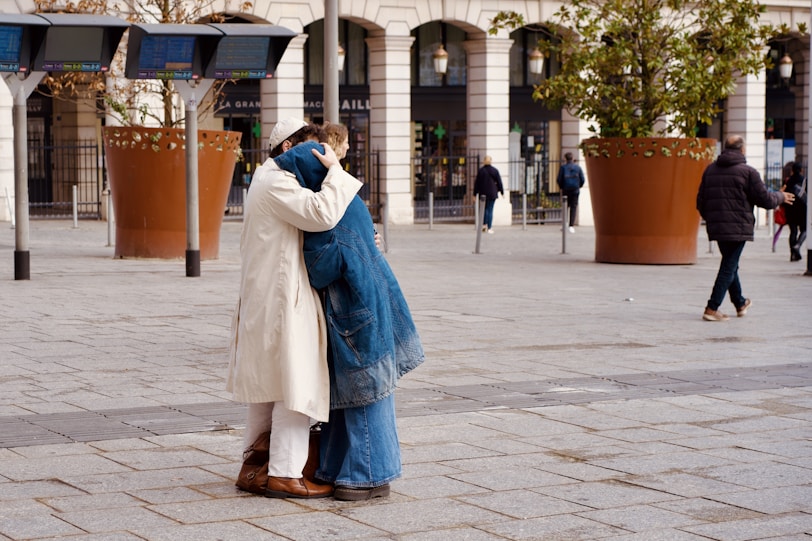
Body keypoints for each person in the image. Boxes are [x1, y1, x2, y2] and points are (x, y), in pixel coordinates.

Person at [274, 137, 425, 501]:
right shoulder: (349, 199)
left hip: (353, 314)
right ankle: (337, 469)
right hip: (375, 303)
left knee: (363, 395)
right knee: (349, 394)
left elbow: (321, 269)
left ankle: (369, 476)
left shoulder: (325, 212)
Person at [227, 118, 362, 499]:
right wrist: (336, 171)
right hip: (282, 297)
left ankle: (253, 467)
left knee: (267, 385)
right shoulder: (277, 181)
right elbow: (321, 212)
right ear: (288, 148)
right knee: (294, 382)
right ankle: (285, 472)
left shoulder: (266, 177)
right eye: (309, 147)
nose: (316, 155)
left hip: (268, 295)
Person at [696, 135, 795, 321]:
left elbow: (700, 201)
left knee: (731, 264)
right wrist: (781, 197)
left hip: (718, 227)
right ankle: (711, 308)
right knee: (728, 266)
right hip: (738, 226)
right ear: (742, 150)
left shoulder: (710, 170)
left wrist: (712, 218)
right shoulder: (748, 172)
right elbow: (764, 199)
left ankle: (740, 303)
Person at [783, 162, 808, 262]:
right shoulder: (804, 181)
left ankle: (793, 254)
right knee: (805, 229)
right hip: (802, 208)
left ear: (792, 170)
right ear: (801, 170)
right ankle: (797, 245)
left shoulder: (788, 181)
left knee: (793, 231)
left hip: (790, 208)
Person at [556, 151, 586, 233]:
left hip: (566, 190)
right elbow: (583, 179)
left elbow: (559, 179)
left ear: (565, 159)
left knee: (565, 207)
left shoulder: (563, 168)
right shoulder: (578, 168)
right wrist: (578, 186)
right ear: (572, 158)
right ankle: (571, 226)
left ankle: (564, 224)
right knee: (573, 207)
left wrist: (562, 187)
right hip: (575, 190)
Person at [473, 155, 504, 234]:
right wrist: (502, 191)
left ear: (484, 161)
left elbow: (477, 183)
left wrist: (475, 194)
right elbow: (499, 182)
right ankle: (489, 227)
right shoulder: (495, 170)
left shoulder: (481, 171)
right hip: (492, 193)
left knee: (484, 209)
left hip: (483, 193)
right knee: (490, 210)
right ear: (491, 161)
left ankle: (484, 225)